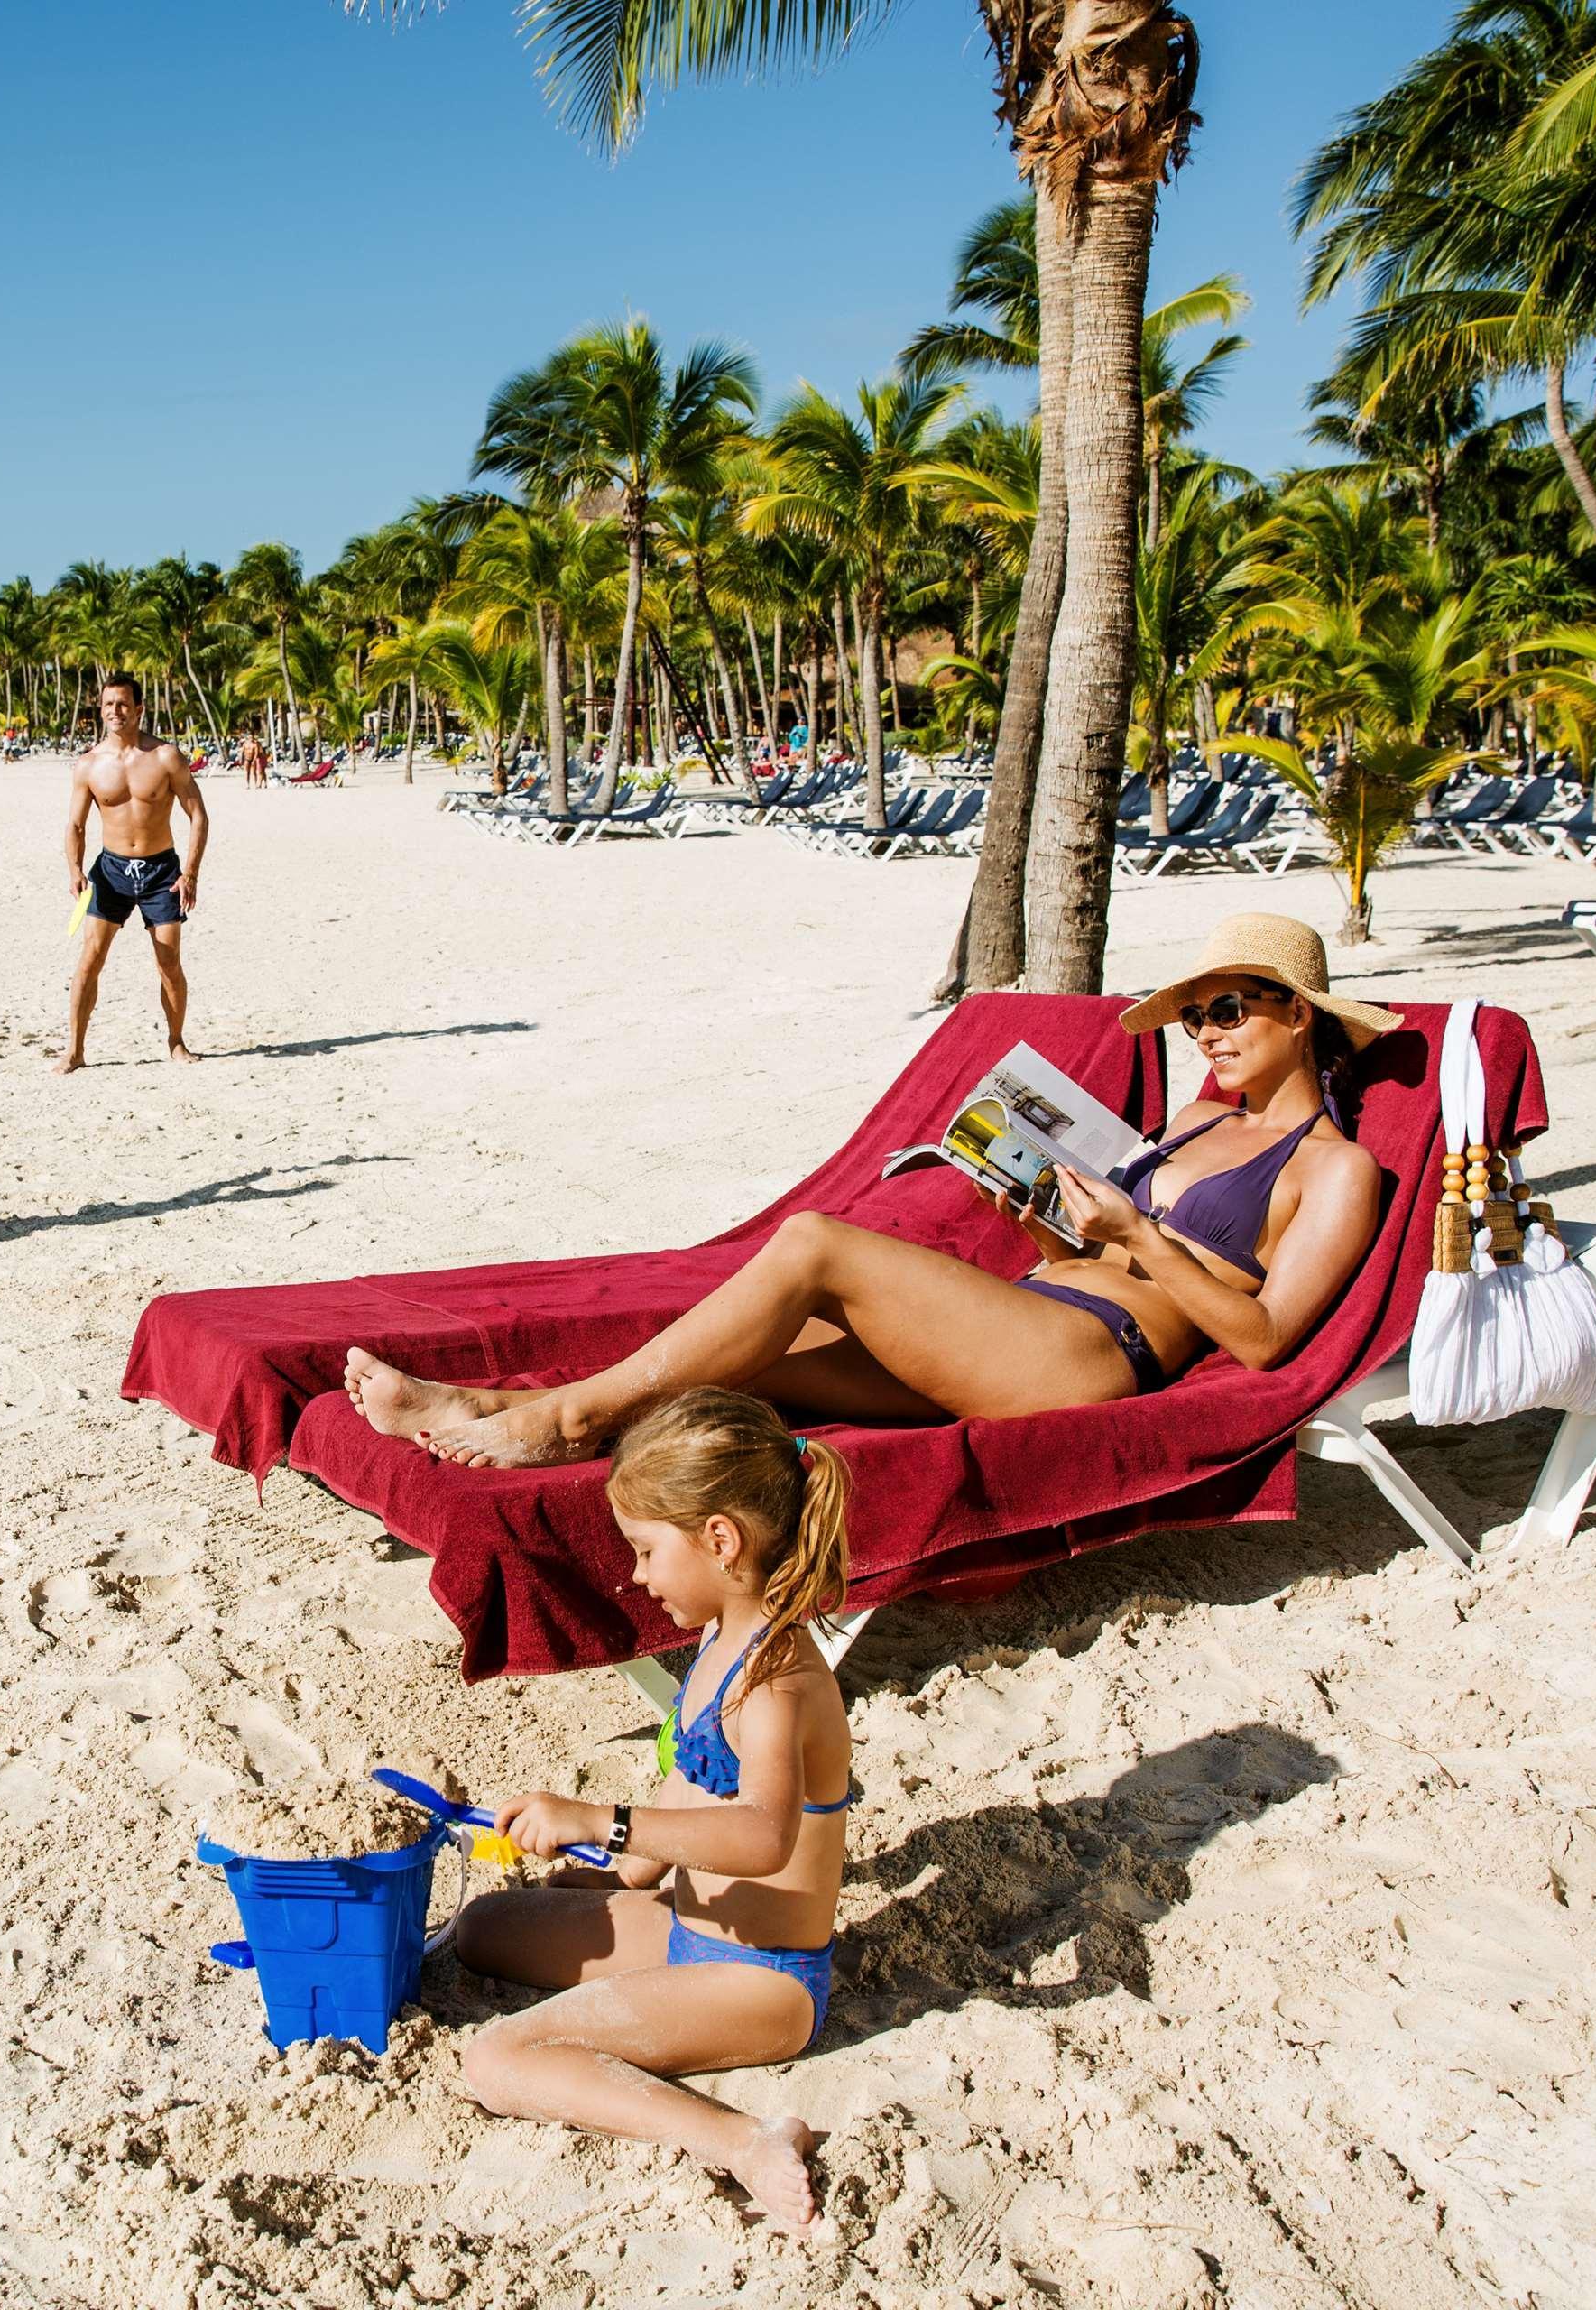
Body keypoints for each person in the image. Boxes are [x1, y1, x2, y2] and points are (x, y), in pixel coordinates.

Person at [347, 914, 1397, 1465]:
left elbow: (1265, 1340)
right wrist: (1037, 1219)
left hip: (1092, 1361)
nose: (1207, 1031)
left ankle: (559, 1426)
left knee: (813, 1243)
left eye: (1228, 1009)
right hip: (1035, 1317)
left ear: (1298, 1012)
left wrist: (1138, 1231)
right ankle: (490, 1407)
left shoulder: (1332, 1167)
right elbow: (1099, 1258)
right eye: (1194, 1013)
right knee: (752, 1363)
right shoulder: (1195, 1118)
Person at [453, 1389, 855, 2230]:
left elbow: (762, 1836)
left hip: (762, 1983)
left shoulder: (775, 1679)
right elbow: (694, 1782)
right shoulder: (720, 1637)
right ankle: (598, 1943)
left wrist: (602, 1821)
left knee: (496, 2061)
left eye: (644, 1550)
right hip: (685, 1932)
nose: (634, 1575)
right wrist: (611, 1875)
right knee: (483, 1929)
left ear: (719, 1539)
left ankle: (739, 2140)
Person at [58, 672, 208, 1073]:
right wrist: (75, 869)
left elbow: (198, 816)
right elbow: (75, 825)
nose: (115, 711)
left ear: (139, 709)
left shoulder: (165, 757)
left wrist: (189, 874)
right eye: (108, 704)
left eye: (123, 704)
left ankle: (176, 1042)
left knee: (169, 962)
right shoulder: (89, 765)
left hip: (162, 872)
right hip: (111, 871)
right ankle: (74, 1050)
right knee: (90, 959)